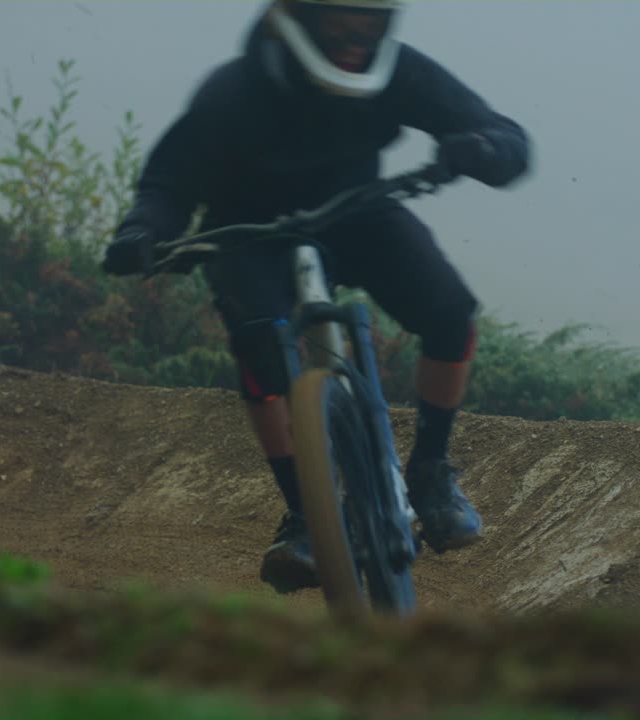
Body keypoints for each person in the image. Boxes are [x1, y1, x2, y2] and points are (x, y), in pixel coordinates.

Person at [102, 0, 531, 594]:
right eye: (339, 20)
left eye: (372, 21)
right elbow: (168, 183)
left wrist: (484, 149)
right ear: (296, 17)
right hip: (250, 233)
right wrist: (142, 232)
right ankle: (306, 514)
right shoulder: (236, 89)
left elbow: (504, 135)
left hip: (358, 213)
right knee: (259, 346)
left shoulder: (398, 71)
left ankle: (431, 471)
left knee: (451, 313)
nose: (358, 37)